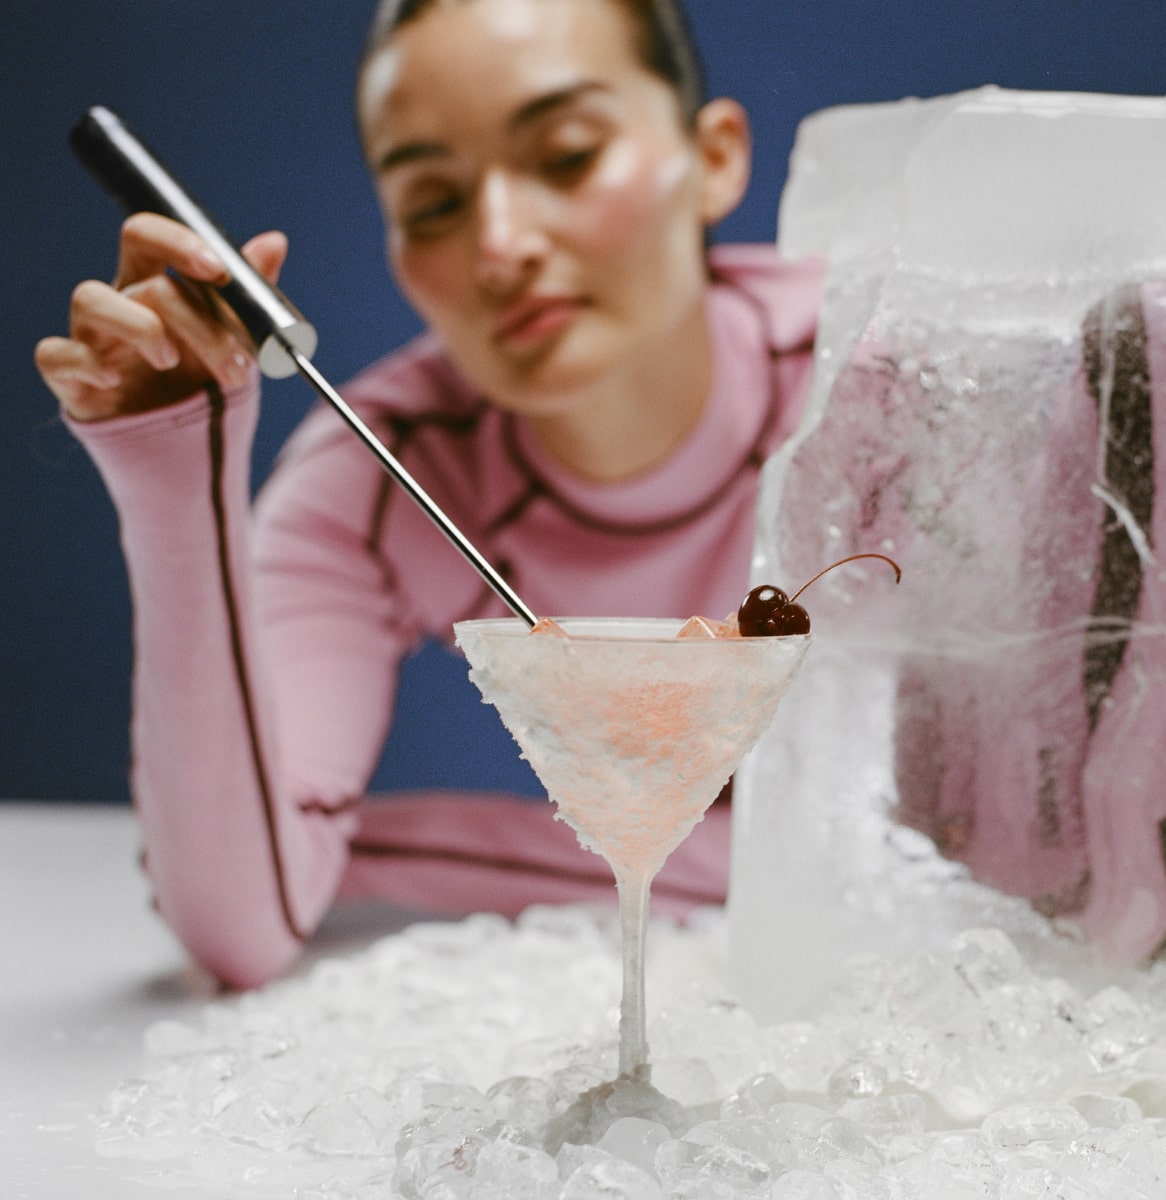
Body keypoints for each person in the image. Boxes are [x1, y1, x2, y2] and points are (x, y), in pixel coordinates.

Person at [34, 0, 824, 989]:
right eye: (435, 205)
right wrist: (170, 465)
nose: (500, 244)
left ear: (713, 158)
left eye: (568, 154)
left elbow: (1019, 866)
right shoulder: (365, 482)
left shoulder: (893, 372)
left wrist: (383, 853)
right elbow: (239, 924)